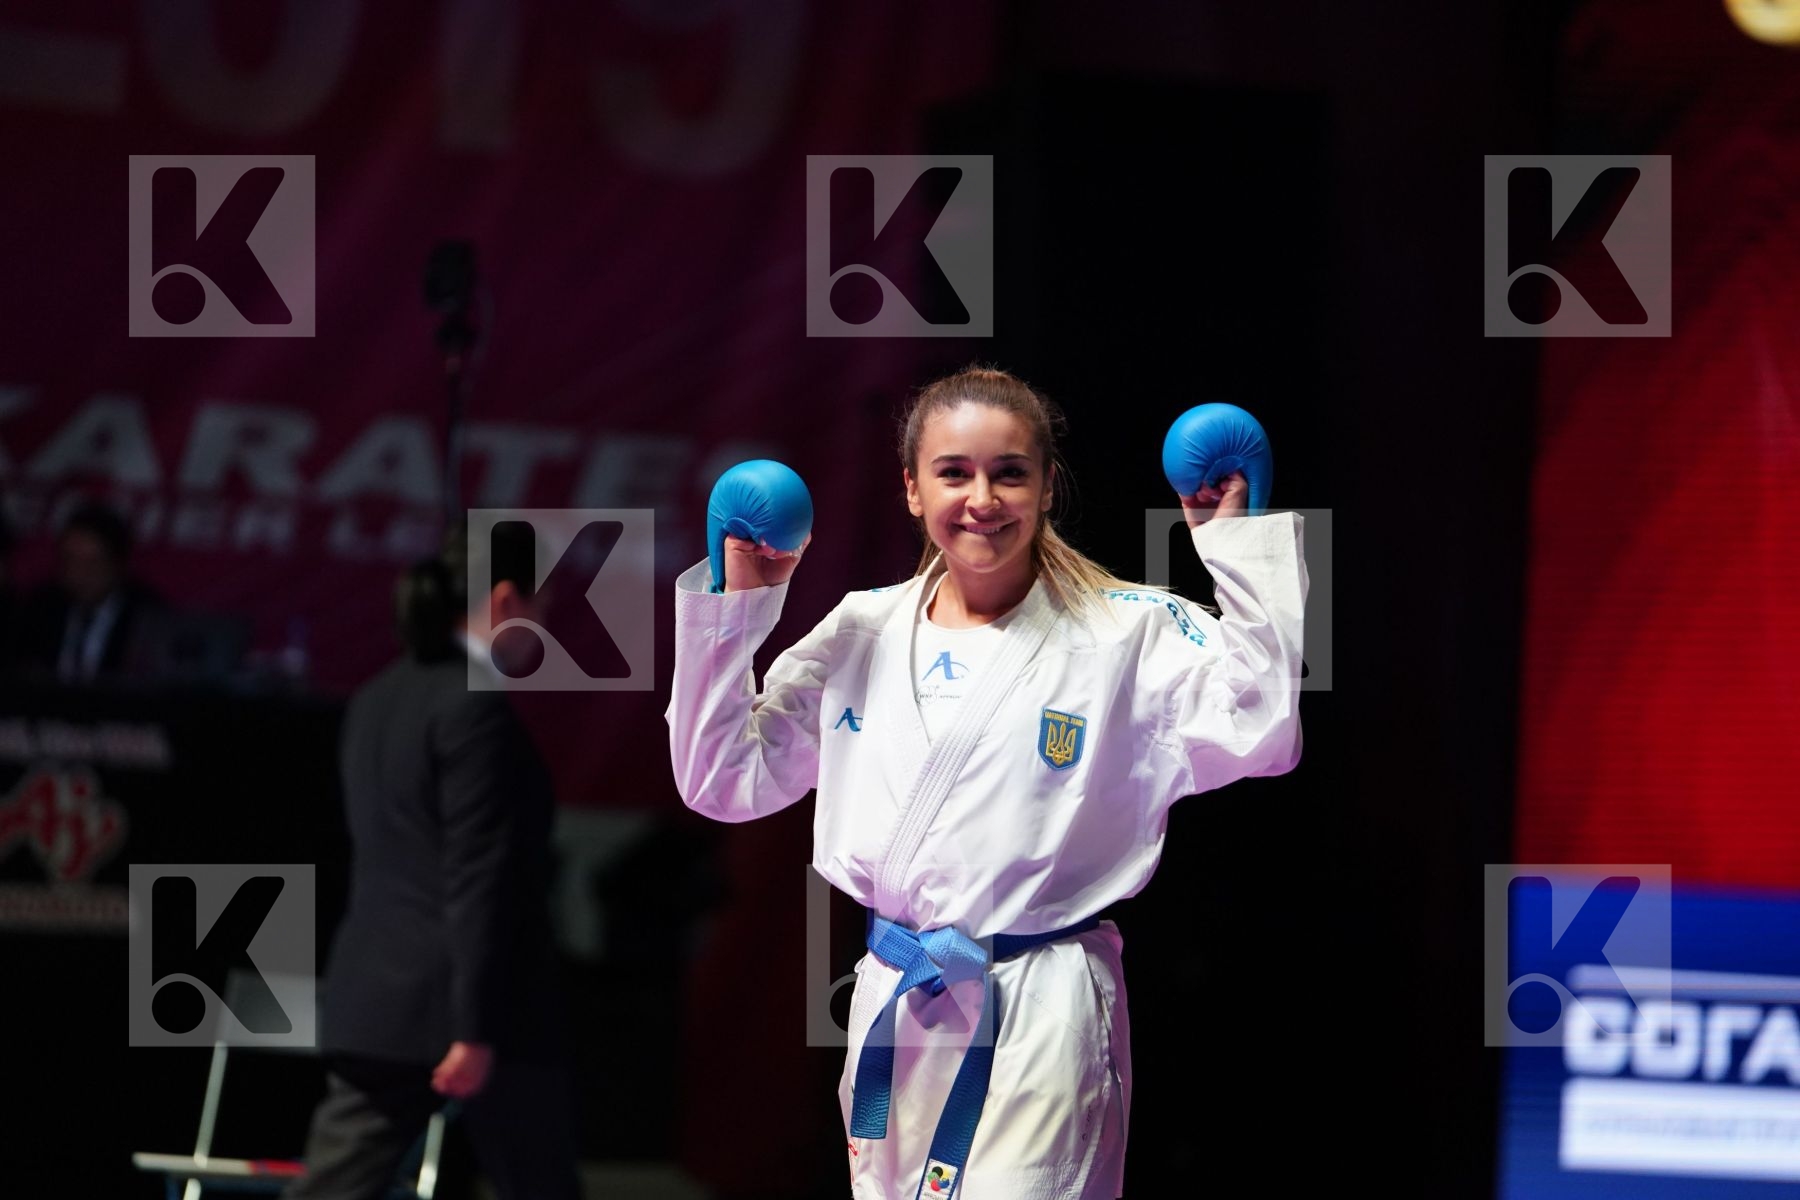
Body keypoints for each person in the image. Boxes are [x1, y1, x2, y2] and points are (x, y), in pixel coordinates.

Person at [665, 366, 1306, 1198]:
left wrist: (1235, 545)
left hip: (1044, 1001)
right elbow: (724, 782)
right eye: (954, 472)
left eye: (1010, 473)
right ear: (910, 488)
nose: (983, 497)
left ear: (1046, 488)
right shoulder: (861, 628)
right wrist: (735, 610)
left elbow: (1264, 730)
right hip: (899, 995)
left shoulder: (1126, 631)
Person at [287, 521, 582, 1200]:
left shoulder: (374, 698)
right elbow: (479, 877)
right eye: (542, 606)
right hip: (481, 1015)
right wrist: (473, 1029)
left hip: (375, 1002)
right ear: (507, 601)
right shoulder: (473, 710)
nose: (545, 623)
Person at [14, 501, 164, 683]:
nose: (78, 574)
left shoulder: (146, 616)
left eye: (92, 564)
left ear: (118, 565)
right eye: (70, 561)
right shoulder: (39, 608)